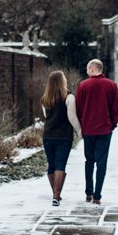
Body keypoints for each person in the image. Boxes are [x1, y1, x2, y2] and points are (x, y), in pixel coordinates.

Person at [75, 59, 118, 205]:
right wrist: (112, 124)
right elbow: (115, 108)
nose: (86, 71)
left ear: (92, 69)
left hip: (88, 129)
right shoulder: (112, 85)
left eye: (88, 68)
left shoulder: (83, 85)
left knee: (89, 161)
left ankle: (89, 192)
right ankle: (97, 196)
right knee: (102, 162)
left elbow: (78, 108)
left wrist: (82, 124)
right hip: (105, 129)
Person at [41, 70, 82, 206]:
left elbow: (46, 116)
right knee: (60, 164)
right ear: (62, 81)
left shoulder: (44, 99)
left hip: (48, 135)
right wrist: (79, 130)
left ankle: (55, 193)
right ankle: (56, 195)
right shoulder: (69, 97)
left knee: (51, 165)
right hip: (64, 136)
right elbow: (72, 117)